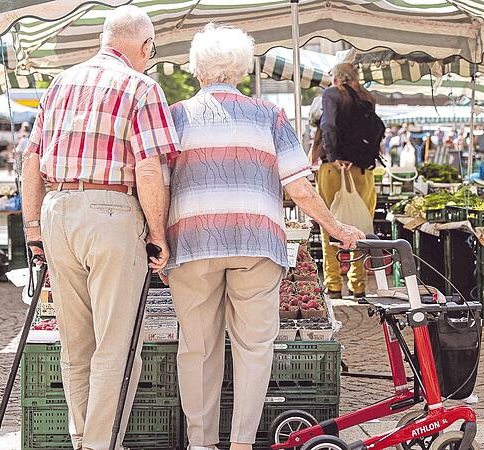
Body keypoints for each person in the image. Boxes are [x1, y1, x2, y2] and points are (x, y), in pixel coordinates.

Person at [161, 24, 364, 450]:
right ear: (239, 70)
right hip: (257, 245)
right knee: (255, 348)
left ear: (197, 70)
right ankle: (240, 444)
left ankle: (200, 444)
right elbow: (299, 187)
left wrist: (158, 243)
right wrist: (338, 228)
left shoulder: (175, 116)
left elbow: (156, 186)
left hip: (194, 243)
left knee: (197, 349)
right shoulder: (268, 116)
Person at [20, 6, 175, 449]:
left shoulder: (61, 82)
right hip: (111, 211)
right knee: (117, 344)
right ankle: (102, 444)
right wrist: (159, 236)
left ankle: (83, 438)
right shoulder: (141, 86)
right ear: (144, 46)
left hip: (57, 210)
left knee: (76, 342)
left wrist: (33, 228)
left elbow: (31, 160)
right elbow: (148, 168)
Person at [318, 62, 379, 301]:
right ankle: (358, 285)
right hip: (363, 172)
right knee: (361, 226)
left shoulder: (332, 94)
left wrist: (334, 157)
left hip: (334, 169)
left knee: (328, 224)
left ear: (337, 77)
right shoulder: (368, 97)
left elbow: (328, 126)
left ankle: (333, 284)